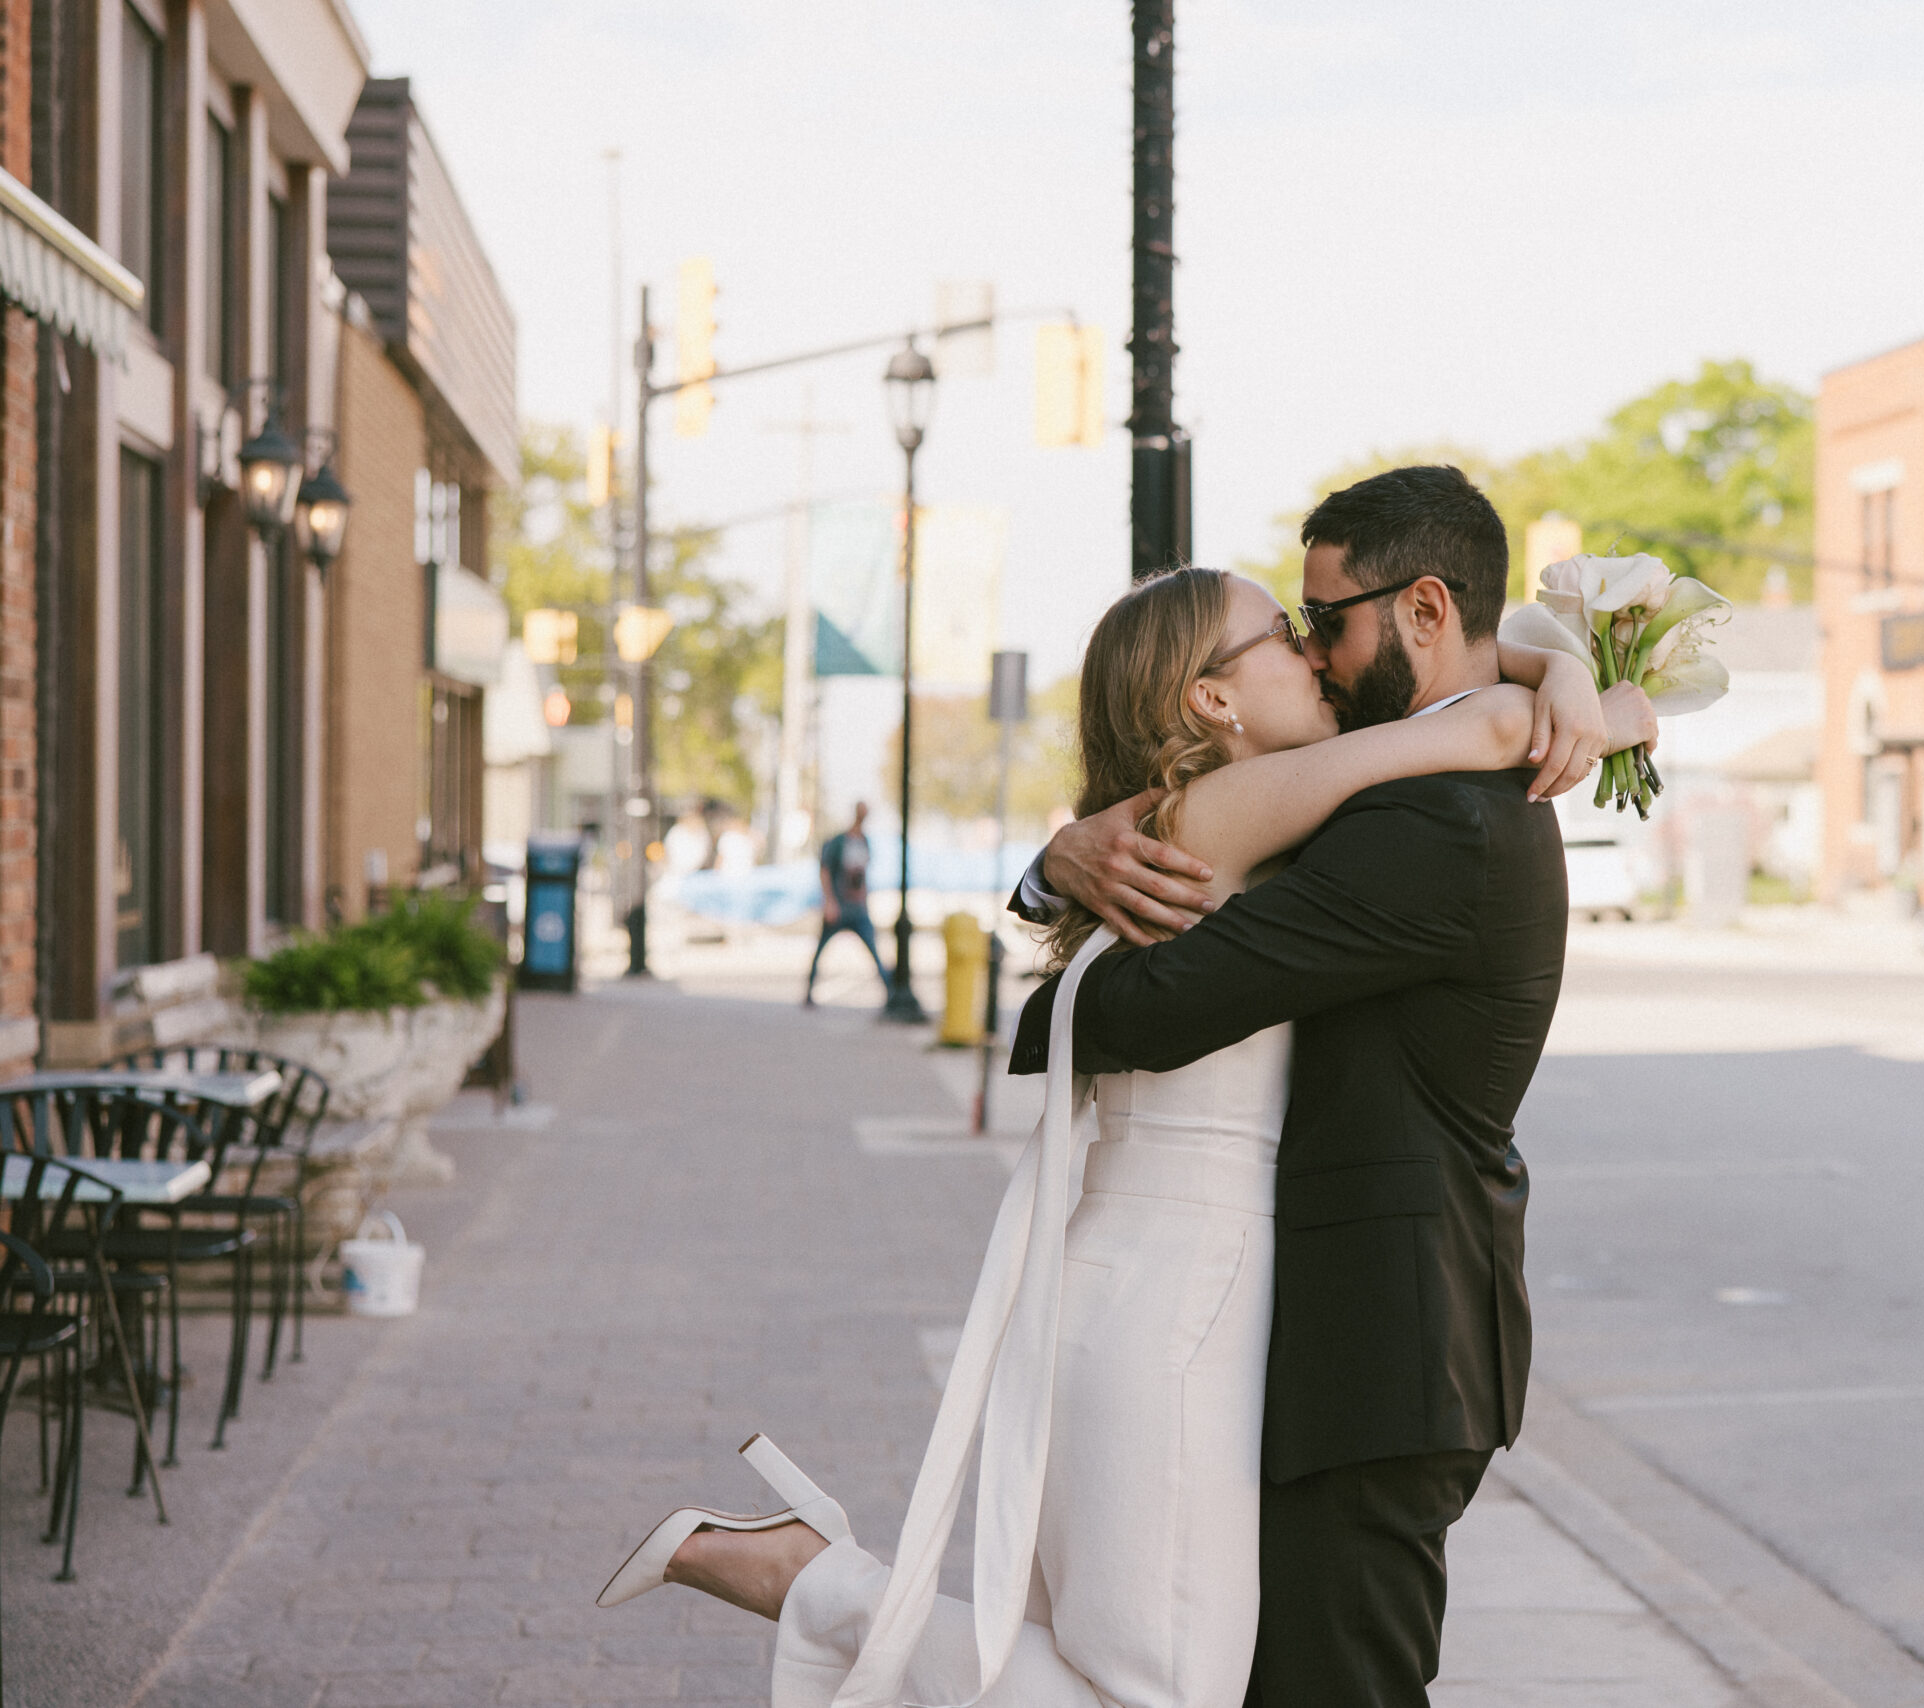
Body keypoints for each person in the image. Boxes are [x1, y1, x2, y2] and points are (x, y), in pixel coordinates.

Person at [598, 472, 1651, 1708]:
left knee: (1163, 1678)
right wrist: (1059, 864)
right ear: (1212, 696)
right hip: (1186, 1297)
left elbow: (1472, 667)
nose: (1313, 655)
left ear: (1422, 609)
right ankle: (815, 1581)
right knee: (1153, 1689)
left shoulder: (1418, 813)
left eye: (1326, 625)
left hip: (1297, 1322)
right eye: (1290, 633)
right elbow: (1093, 1004)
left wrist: (1553, 675)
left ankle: (820, 1581)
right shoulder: (1330, 798)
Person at [805, 804, 888, 1007]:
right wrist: (830, 902)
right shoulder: (839, 842)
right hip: (839, 907)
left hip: (858, 909)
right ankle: (808, 992)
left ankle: (891, 993)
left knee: (875, 952)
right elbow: (825, 871)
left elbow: (864, 877)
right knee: (821, 950)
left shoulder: (865, 842)